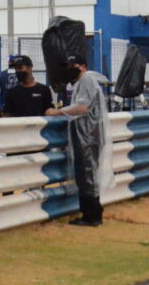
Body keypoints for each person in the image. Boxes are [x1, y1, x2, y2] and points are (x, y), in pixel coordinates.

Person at [45, 54, 112, 227]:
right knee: (85, 175)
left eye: (73, 65)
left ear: (83, 66)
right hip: (85, 134)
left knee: (87, 174)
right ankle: (90, 213)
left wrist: (57, 112)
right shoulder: (80, 83)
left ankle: (92, 215)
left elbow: (83, 107)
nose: (69, 68)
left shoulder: (87, 80)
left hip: (88, 135)